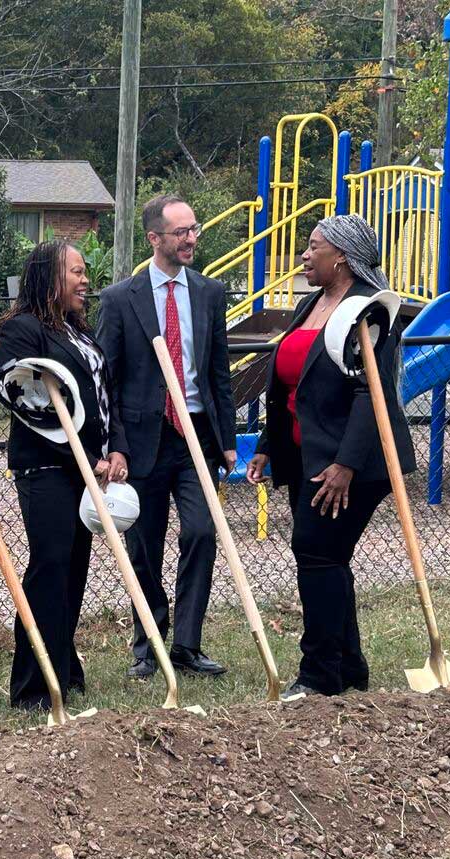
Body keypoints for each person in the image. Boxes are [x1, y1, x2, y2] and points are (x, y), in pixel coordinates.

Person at [245, 214, 415, 699]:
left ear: (341, 256)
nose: (304, 255)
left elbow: (372, 393)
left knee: (316, 552)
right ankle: (348, 669)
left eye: (313, 247)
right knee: (328, 558)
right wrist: (266, 446)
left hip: (354, 462)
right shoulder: (310, 303)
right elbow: (287, 383)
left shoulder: (370, 311)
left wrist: (345, 465)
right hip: (306, 454)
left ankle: (319, 674)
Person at [96, 194, 236, 681]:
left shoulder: (210, 293)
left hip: (197, 435)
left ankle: (187, 645)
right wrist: (113, 445)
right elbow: (106, 380)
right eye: (181, 232)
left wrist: (229, 439)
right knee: (144, 546)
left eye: (194, 229)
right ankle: (148, 643)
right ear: (155, 238)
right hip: (141, 441)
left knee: (201, 532)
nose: (192, 238)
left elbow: (218, 370)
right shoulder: (119, 299)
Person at [0, 239, 128, 709]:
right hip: (47, 466)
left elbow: (104, 396)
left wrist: (116, 450)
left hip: (89, 467)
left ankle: (64, 666)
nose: (85, 279)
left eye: (85, 271)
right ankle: (33, 683)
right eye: (75, 271)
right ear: (48, 277)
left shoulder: (79, 332)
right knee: (49, 568)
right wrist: (84, 457)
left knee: (73, 571)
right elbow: (24, 399)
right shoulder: (23, 329)